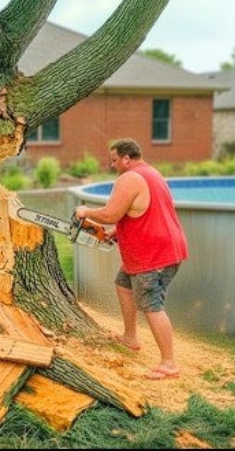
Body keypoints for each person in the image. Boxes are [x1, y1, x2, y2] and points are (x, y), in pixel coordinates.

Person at [74, 138, 188, 380]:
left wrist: (85, 211)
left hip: (154, 255)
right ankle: (130, 337)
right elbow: (142, 211)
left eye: (115, 160)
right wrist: (116, 233)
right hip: (157, 249)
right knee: (123, 284)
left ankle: (169, 364)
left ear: (127, 158)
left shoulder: (129, 178)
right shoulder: (151, 174)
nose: (112, 165)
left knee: (151, 305)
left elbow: (111, 213)